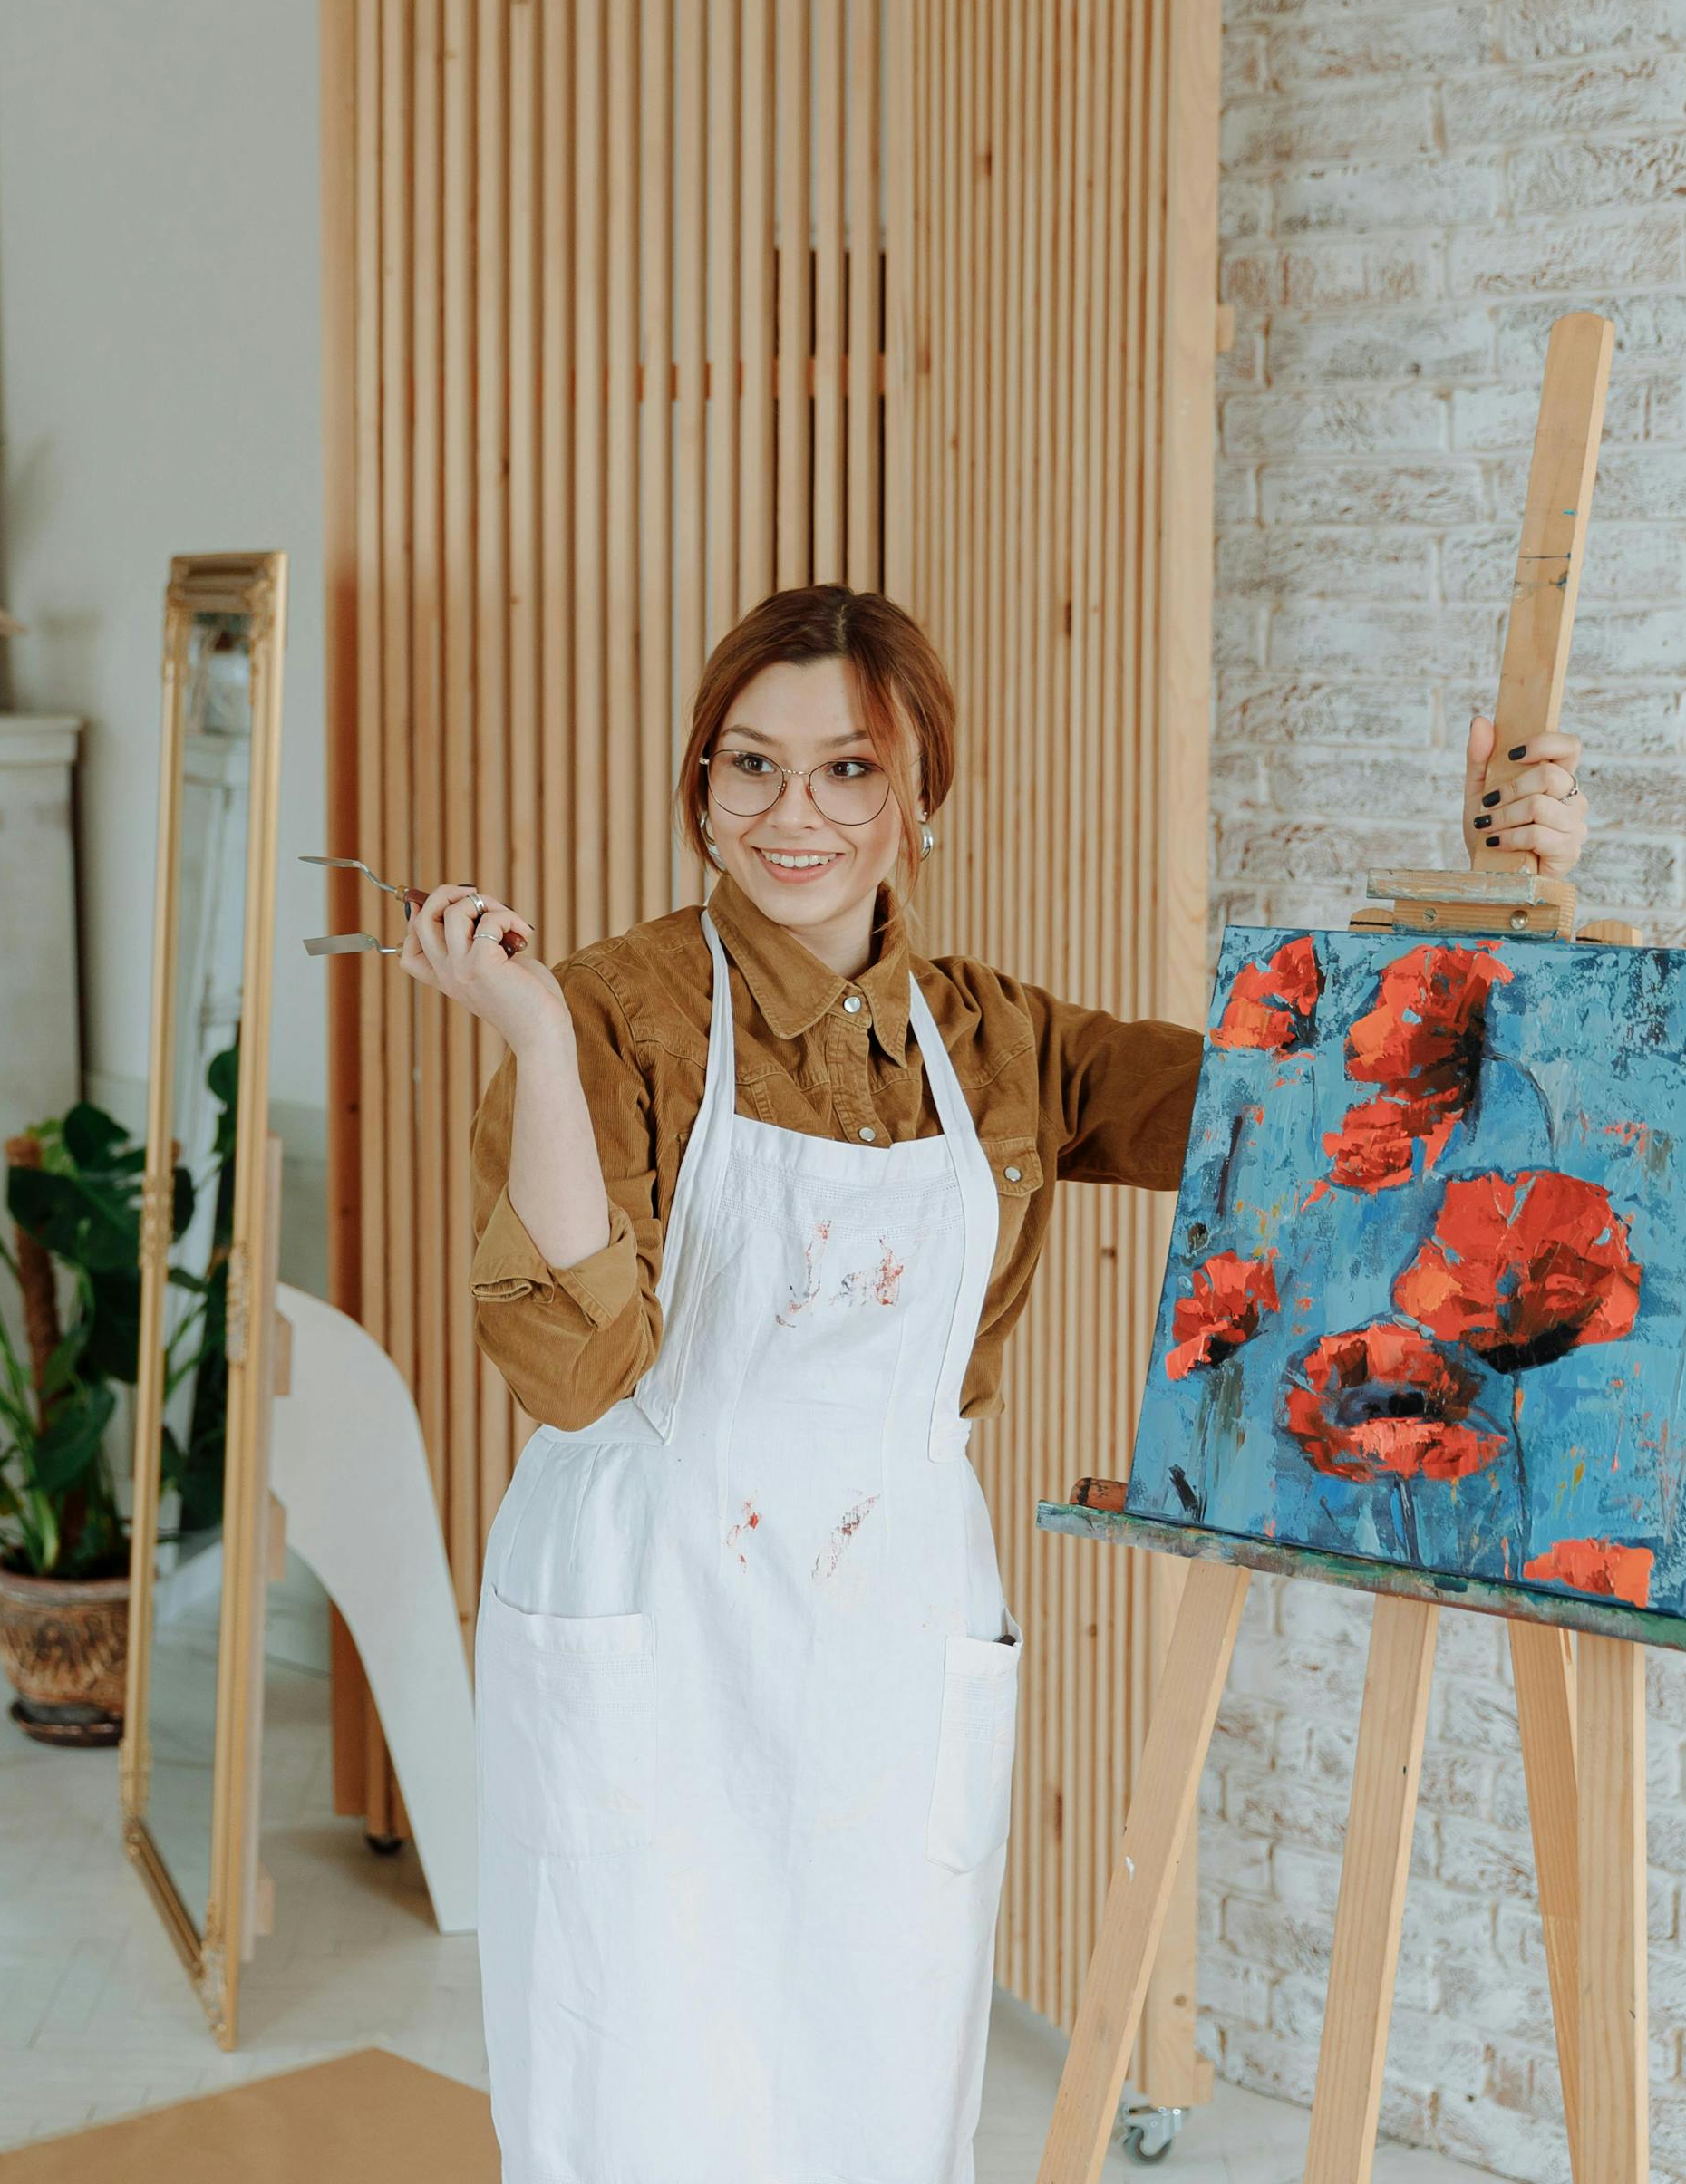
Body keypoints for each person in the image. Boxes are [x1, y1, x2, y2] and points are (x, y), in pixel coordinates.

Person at [397, 585, 1585, 2184]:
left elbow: (1309, 1100)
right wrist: (534, 1043)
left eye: (847, 769)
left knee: (877, 2090)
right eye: (747, 767)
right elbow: (580, 1365)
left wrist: (1507, 893)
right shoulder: (611, 1016)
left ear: (918, 796)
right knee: (642, 2091)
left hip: (889, 1627)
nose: (793, 814)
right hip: (653, 1614)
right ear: (699, 792)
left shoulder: (1002, 1043)